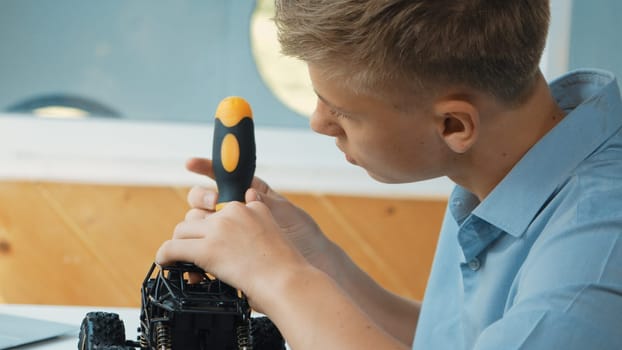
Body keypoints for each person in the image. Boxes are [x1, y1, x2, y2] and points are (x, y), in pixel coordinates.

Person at [156, 0, 622, 349]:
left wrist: (280, 278)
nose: (319, 124)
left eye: (342, 112)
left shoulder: (586, 274)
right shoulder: (505, 162)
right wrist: (319, 262)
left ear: (453, 125)